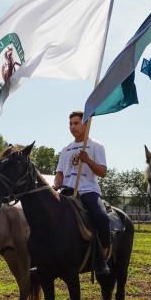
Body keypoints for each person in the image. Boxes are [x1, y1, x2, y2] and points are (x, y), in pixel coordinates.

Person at [54, 111, 110, 277]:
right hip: (67, 192)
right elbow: (60, 173)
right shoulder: (66, 150)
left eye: (76, 123)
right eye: (70, 124)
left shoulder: (96, 146)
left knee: (101, 217)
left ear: (86, 125)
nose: (72, 127)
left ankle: (103, 258)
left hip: (88, 191)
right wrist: (57, 185)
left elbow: (103, 172)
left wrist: (88, 160)